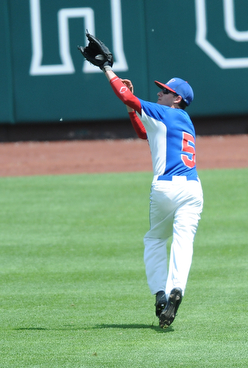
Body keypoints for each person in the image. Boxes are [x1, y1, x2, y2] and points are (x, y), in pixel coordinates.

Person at [78, 36, 203, 328]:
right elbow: (144, 134)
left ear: (177, 100)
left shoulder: (165, 113)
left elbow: (127, 96)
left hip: (165, 188)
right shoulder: (184, 122)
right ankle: (177, 290)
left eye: (165, 91)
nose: (159, 94)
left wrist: (107, 69)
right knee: (184, 243)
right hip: (193, 190)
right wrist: (132, 110)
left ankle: (161, 293)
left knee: (155, 239)